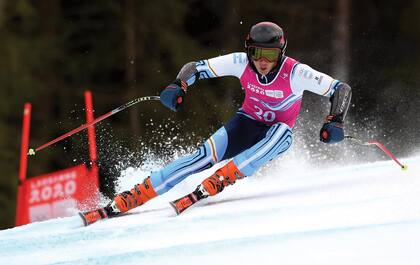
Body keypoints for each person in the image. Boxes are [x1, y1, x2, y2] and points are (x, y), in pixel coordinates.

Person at [81, 21, 352, 225]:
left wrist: (335, 119)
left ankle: (223, 177)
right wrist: (179, 84)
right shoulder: (240, 62)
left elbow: (340, 89)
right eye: (256, 53)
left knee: (280, 133)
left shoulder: (296, 72)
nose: (261, 61)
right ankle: (136, 194)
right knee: (200, 157)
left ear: (281, 53)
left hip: (276, 136)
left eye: (269, 55)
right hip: (245, 125)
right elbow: (195, 67)